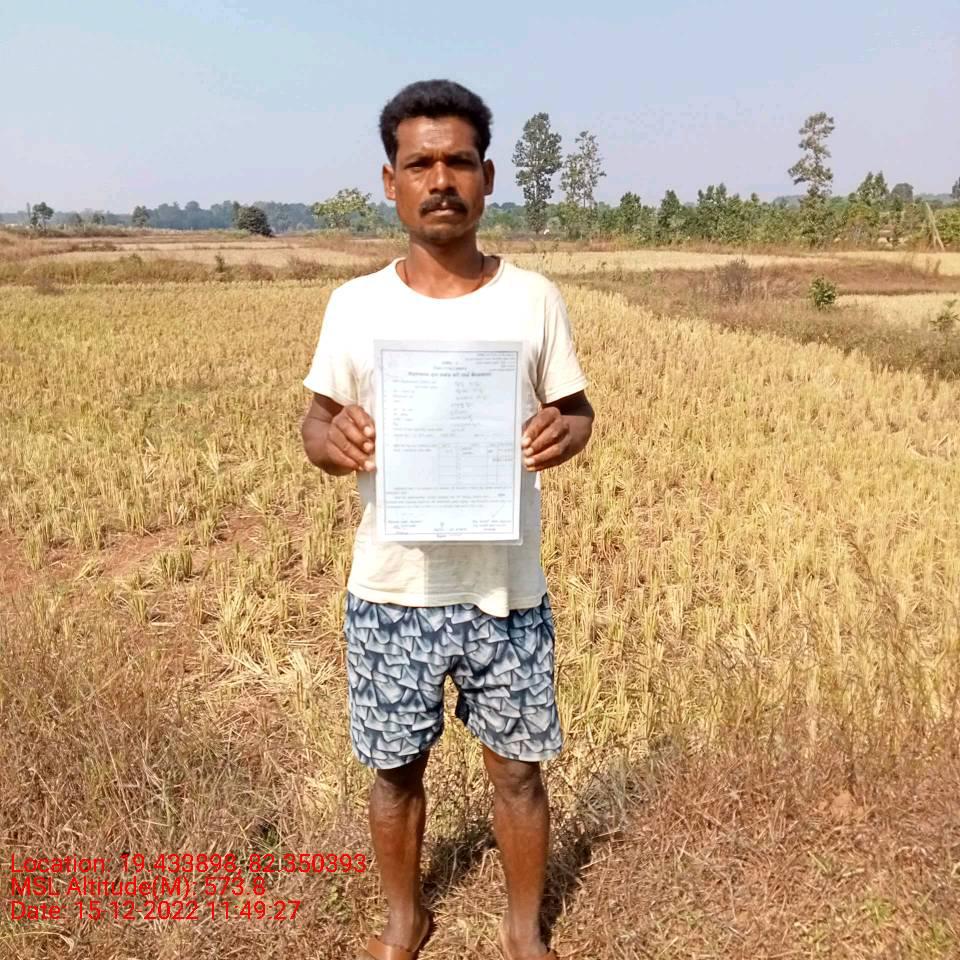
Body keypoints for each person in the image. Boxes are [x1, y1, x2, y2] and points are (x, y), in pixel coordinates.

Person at [301, 79, 594, 960]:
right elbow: (315, 423)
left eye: (458, 161)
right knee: (394, 772)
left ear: (487, 177)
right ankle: (406, 918)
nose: (440, 180)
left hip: (505, 589)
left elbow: (578, 411)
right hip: (392, 589)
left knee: (518, 772)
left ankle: (522, 928)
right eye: (419, 163)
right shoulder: (356, 305)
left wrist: (564, 433)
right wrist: (334, 440)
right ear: (390, 180)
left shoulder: (532, 299)